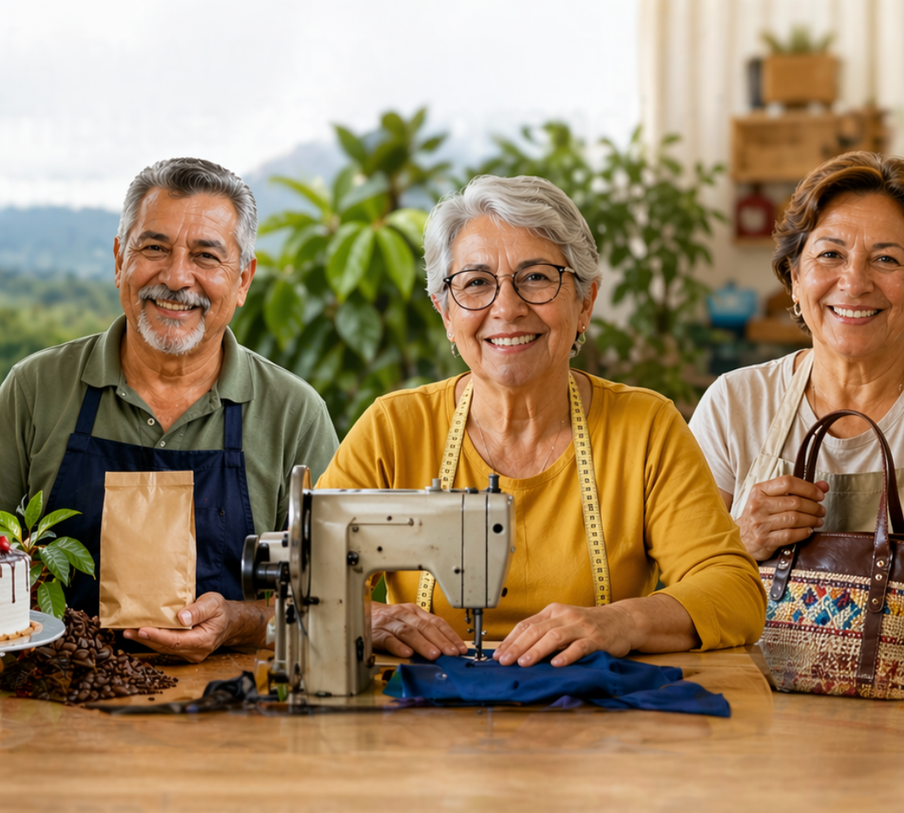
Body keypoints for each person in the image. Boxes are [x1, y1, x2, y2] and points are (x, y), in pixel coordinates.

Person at [317, 174, 763, 667]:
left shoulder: (645, 427)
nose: (506, 308)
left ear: (585, 302)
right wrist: (367, 619)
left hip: (598, 730)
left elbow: (734, 590)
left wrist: (620, 621)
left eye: (536, 277)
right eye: (476, 283)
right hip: (429, 729)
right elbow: (309, 580)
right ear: (445, 313)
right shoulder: (393, 430)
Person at [0, 158, 338, 663]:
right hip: (56, 698)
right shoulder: (37, 386)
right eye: (154, 248)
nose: (177, 277)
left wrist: (241, 622)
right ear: (119, 260)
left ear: (243, 279)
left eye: (206, 256)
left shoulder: (294, 412)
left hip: (234, 715)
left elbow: (333, 593)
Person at [689, 152, 904, 674]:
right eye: (829, 255)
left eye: (887, 259)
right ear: (794, 280)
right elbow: (679, 598)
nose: (855, 282)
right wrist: (739, 541)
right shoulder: (734, 404)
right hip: (760, 723)